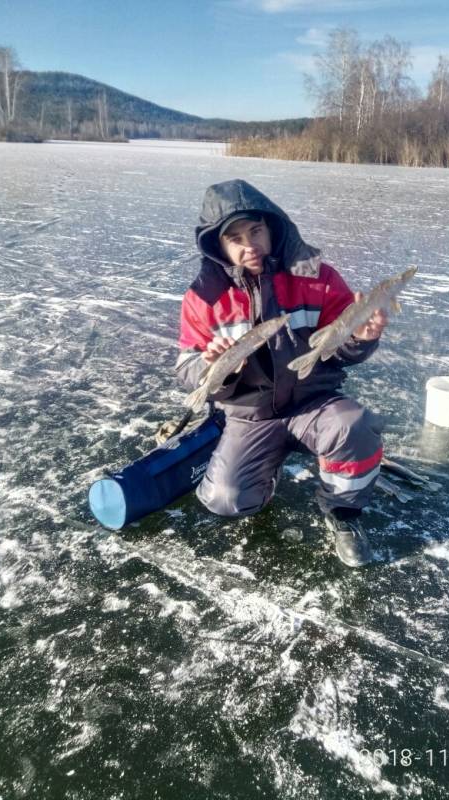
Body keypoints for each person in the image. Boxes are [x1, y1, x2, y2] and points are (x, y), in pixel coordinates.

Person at [176, 179, 388, 567]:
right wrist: (211, 366)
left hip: (314, 402)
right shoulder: (204, 297)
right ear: (218, 246)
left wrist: (360, 336)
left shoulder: (318, 277)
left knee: (353, 425)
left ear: (272, 228)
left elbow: (340, 350)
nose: (249, 244)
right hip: (251, 414)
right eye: (235, 238)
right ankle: (265, 470)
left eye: (256, 231)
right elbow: (187, 369)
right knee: (226, 500)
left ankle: (343, 512)